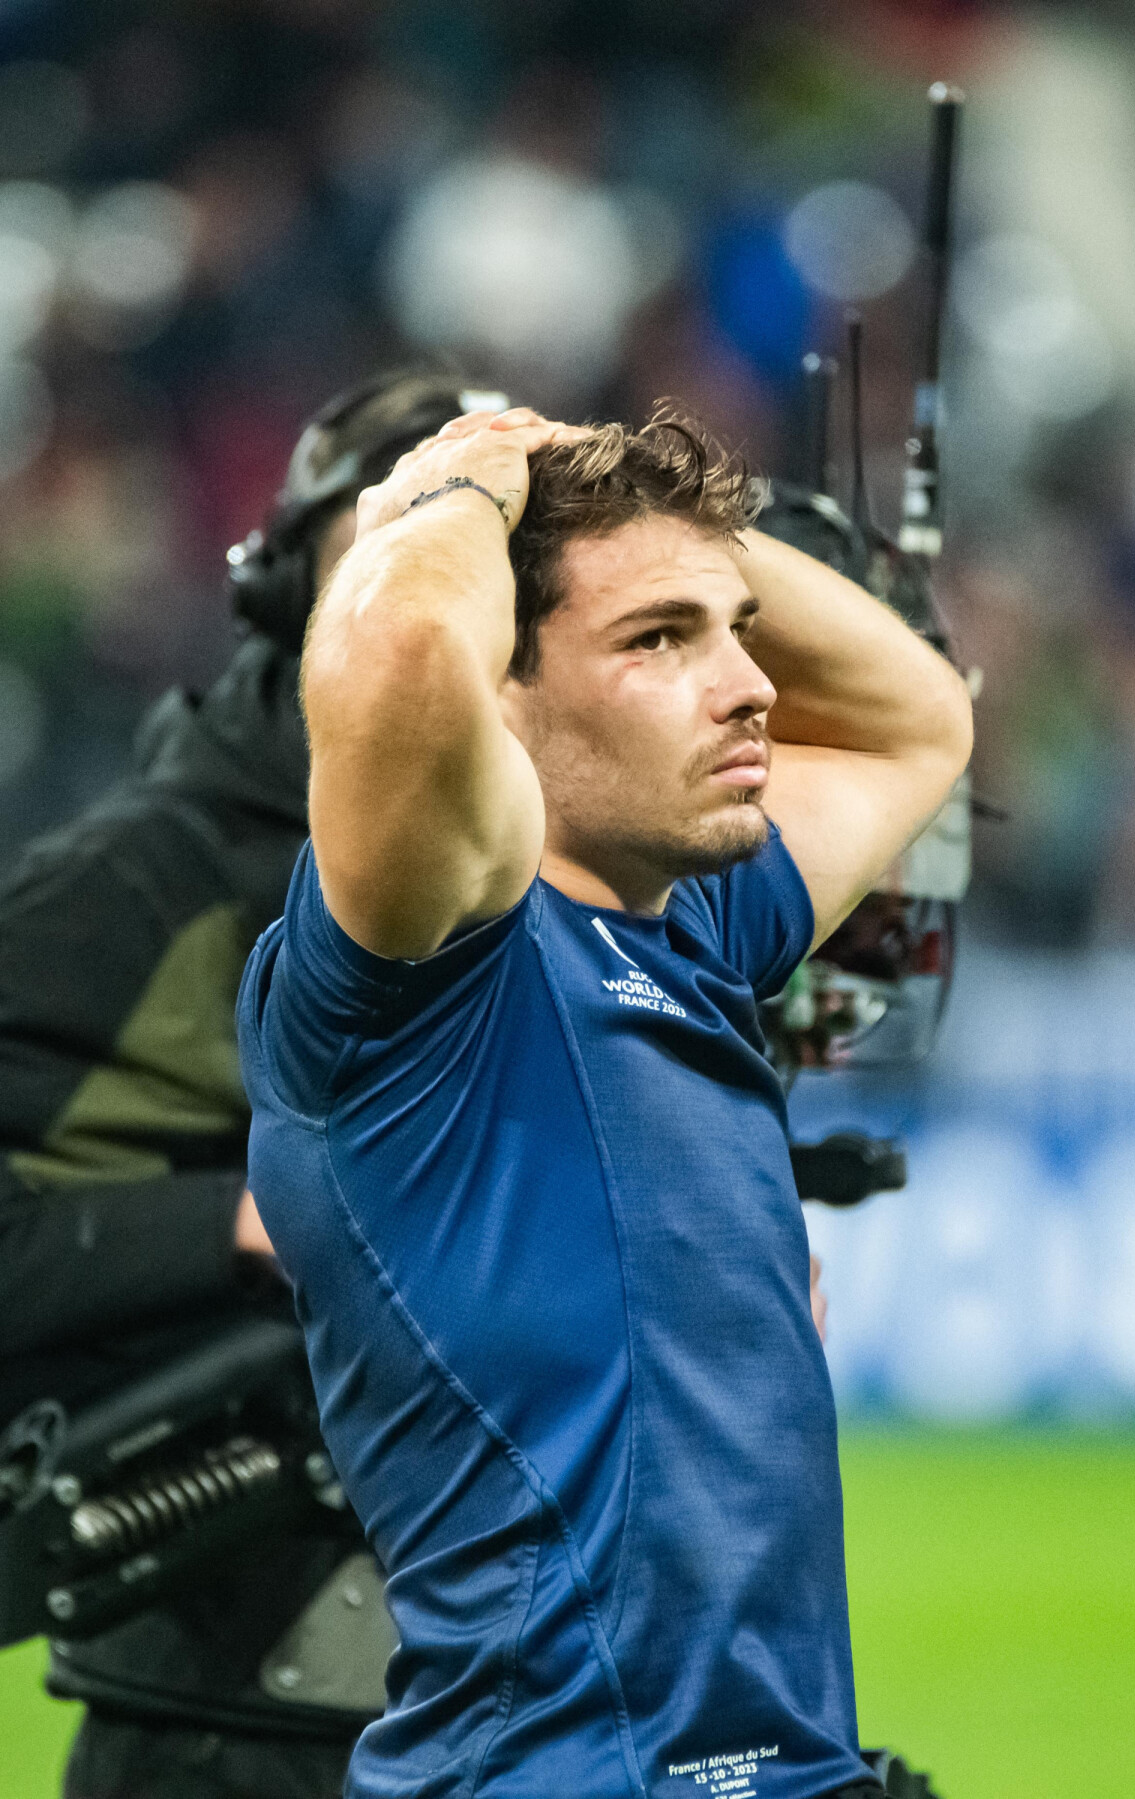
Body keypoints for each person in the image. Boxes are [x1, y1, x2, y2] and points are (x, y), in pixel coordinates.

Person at [237, 405, 973, 1797]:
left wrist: (627, 498)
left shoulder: (688, 922)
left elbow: (914, 714)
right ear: (499, 699)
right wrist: (462, 485)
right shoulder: (420, 973)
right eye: (659, 642)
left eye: (738, 626)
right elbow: (398, 649)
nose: (752, 684)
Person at [0, 369, 503, 1799]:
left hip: (524, 1688)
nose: (434, 623)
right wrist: (243, 1218)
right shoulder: (131, 886)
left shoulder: (558, 883)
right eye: (398, 561)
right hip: (229, 1709)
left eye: (486, 575)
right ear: (292, 595)